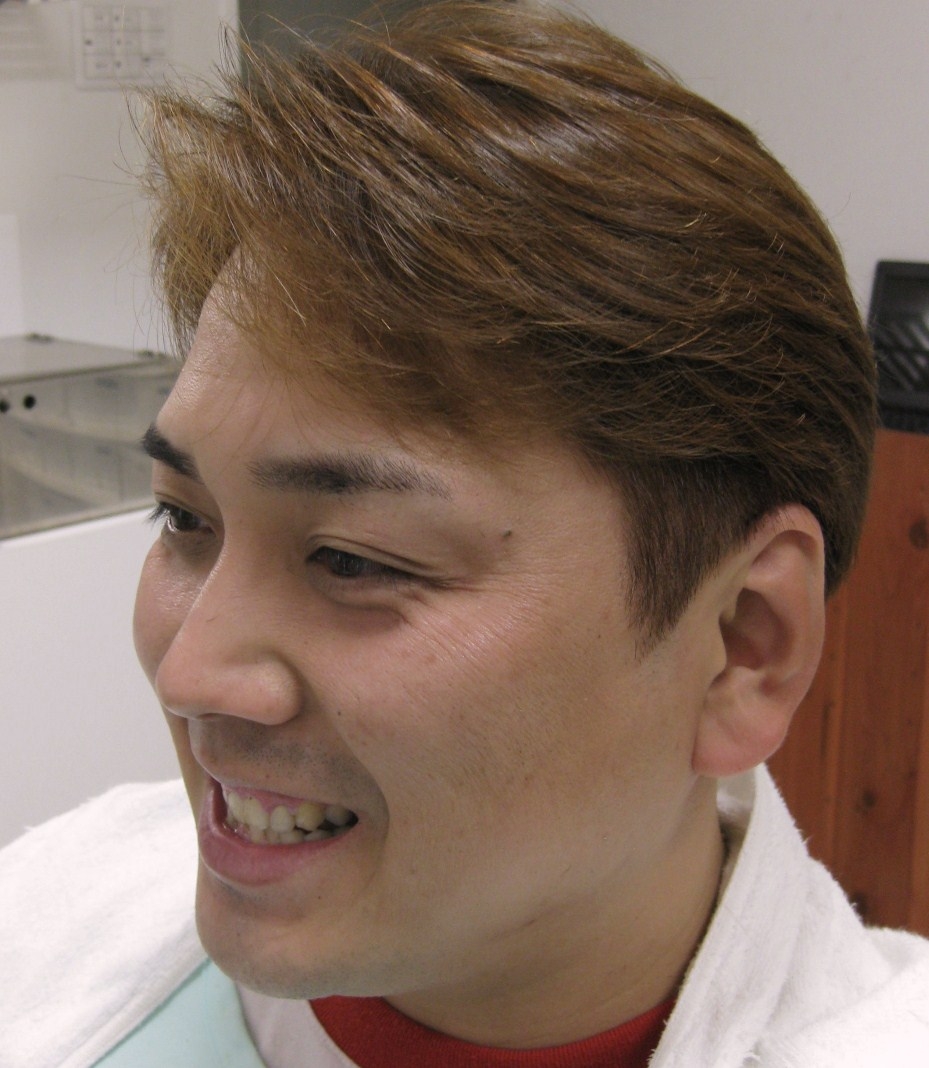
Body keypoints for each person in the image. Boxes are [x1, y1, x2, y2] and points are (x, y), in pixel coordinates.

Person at [3, 1, 928, 1065]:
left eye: (352, 560)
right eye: (184, 518)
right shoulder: (45, 921)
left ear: (741, 646)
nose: (189, 675)